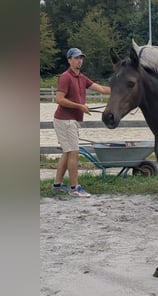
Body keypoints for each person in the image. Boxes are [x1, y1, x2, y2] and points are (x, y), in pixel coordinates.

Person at [51, 47, 110, 197]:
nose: (79, 60)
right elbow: (59, 99)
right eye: (76, 58)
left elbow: (102, 89)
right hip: (65, 120)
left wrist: (122, 88)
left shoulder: (82, 78)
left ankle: (57, 185)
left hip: (70, 120)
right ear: (69, 60)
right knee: (74, 153)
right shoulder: (65, 77)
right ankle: (74, 188)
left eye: (81, 58)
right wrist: (80, 106)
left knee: (68, 152)